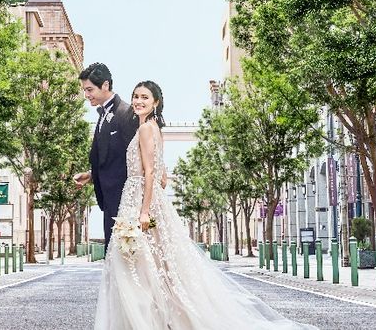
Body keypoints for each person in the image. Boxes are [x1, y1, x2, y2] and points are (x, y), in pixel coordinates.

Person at [94, 80, 318, 330]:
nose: (138, 101)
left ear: (155, 102)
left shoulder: (146, 129)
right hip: (147, 199)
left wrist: (144, 210)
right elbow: (162, 177)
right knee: (155, 264)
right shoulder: (154, 128)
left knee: (135, 264)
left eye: (145, 97)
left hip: (140, 201)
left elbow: (150, 173)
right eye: (135, 96)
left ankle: (147, 322)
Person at [74, 62, 139, 250]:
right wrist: (91, 175)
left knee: (123, 256)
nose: (86, 95)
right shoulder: (103, 114)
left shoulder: (126, 113)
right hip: (109, 200)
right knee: (112, 256)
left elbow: (135, 158)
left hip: (124, 203)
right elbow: (110, 157)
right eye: (85, 90)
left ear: (105, 85)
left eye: (89, 90)